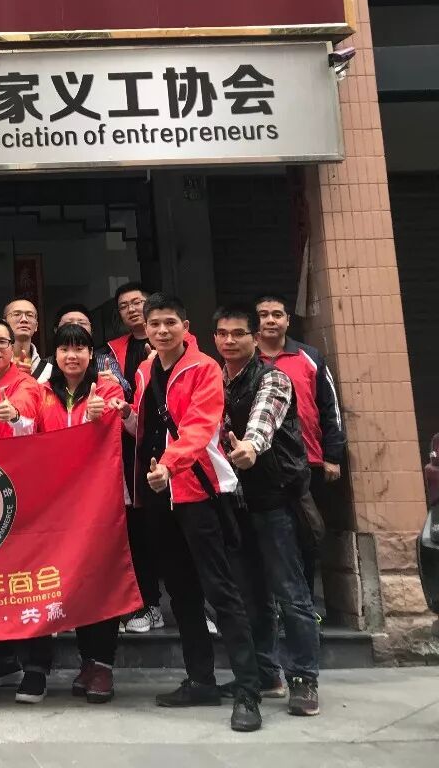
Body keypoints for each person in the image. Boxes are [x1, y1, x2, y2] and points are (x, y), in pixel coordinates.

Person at [118, 294, 263, 732]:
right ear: (146, 329)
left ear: (185, 326)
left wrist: (169, 464)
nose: (162, 330)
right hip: (158, 496)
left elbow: (201, 427)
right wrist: (125, 416)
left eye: (170, 323)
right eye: (155, 324)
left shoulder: (204, 368)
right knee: (181, 593)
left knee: (221, 592)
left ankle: (248, 691)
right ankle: (200, 680)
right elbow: (147, 426)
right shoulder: (145, 370)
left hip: (197, 491)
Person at [213, 306, 322, 716]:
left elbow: (264, 420)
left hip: (276, 502)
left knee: (291, 594)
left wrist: (250, 447)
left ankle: (304, 678)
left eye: (239, 333)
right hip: (237, 505)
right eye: (222, 333)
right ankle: (266, 674)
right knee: (251, 596)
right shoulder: (216, 381)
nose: (230, 341)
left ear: (255, 339)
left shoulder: (273, 378)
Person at [15, 324, 126, 706]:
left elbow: (119, 426)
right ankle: (37, 668)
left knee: (95, 580)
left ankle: (99, 664)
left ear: (91, 354)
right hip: (50, 506)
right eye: (65, 348)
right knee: (45, 580)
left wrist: (101, 415)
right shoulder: (40, 391)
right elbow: (25, 429)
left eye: (80, 348)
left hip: (97, 503)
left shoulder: (107, 388)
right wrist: (13, 417)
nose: (72, 355)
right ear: (56, 355)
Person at [254, 292, 347, 603]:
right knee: (268, 539)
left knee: (306, 537)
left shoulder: (310, 356)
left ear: (287, 320)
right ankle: (277, 609)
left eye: (277, 314)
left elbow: (330, 408)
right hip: (262, 466)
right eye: (263, 315)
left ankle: (305, 606)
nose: (270, 320)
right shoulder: (246, 359)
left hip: (308, 463)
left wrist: (333, 456)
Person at [108, 282, 164, 635]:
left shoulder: (181, 347)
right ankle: (149, 603)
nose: (131, 309)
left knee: (176, 533)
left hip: (172, 450)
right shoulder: (112, 352)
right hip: (131, 450)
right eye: (124, 305)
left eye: (137, 302)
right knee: (139, 530)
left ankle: (197, 609)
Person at [53, 303, 131, 398]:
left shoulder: (105, 361)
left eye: (82, 323)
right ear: (56, 330)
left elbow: (127, 392)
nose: (76, 327)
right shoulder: (46, 366)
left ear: (92, 330)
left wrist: (116, 382)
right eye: (68, 324)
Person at [3, 295, 49, 382]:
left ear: (36, 326)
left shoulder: (49, 371)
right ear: (4, 324)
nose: (24, 319)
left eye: (30, 315)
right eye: (17, 314)